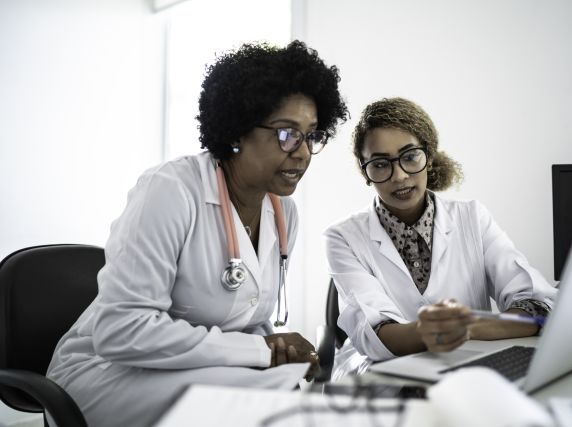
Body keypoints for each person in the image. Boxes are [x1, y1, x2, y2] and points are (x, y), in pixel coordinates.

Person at [46, 41, 348, 427]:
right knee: (260, 403)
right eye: (287, 134)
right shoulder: (170, 190)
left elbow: (245, 317)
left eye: (311, 136)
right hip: (105, 372)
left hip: (192, 371)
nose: (303, 152)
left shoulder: (282, 212)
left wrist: (276, 347)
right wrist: (258, 350)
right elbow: (121, 331)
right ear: (238, 130)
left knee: (285, 390)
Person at [324, 97, 556, 375]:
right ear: (365, 172)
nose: (399, 176)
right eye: (380, 164)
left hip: (467, 368)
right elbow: (374, 333)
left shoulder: (472, 217)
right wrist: (441, 331)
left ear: (429, 156)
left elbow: (538, 305)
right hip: (378, 373)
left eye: (410, 157)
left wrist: (466, 328)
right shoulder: (342, 237)